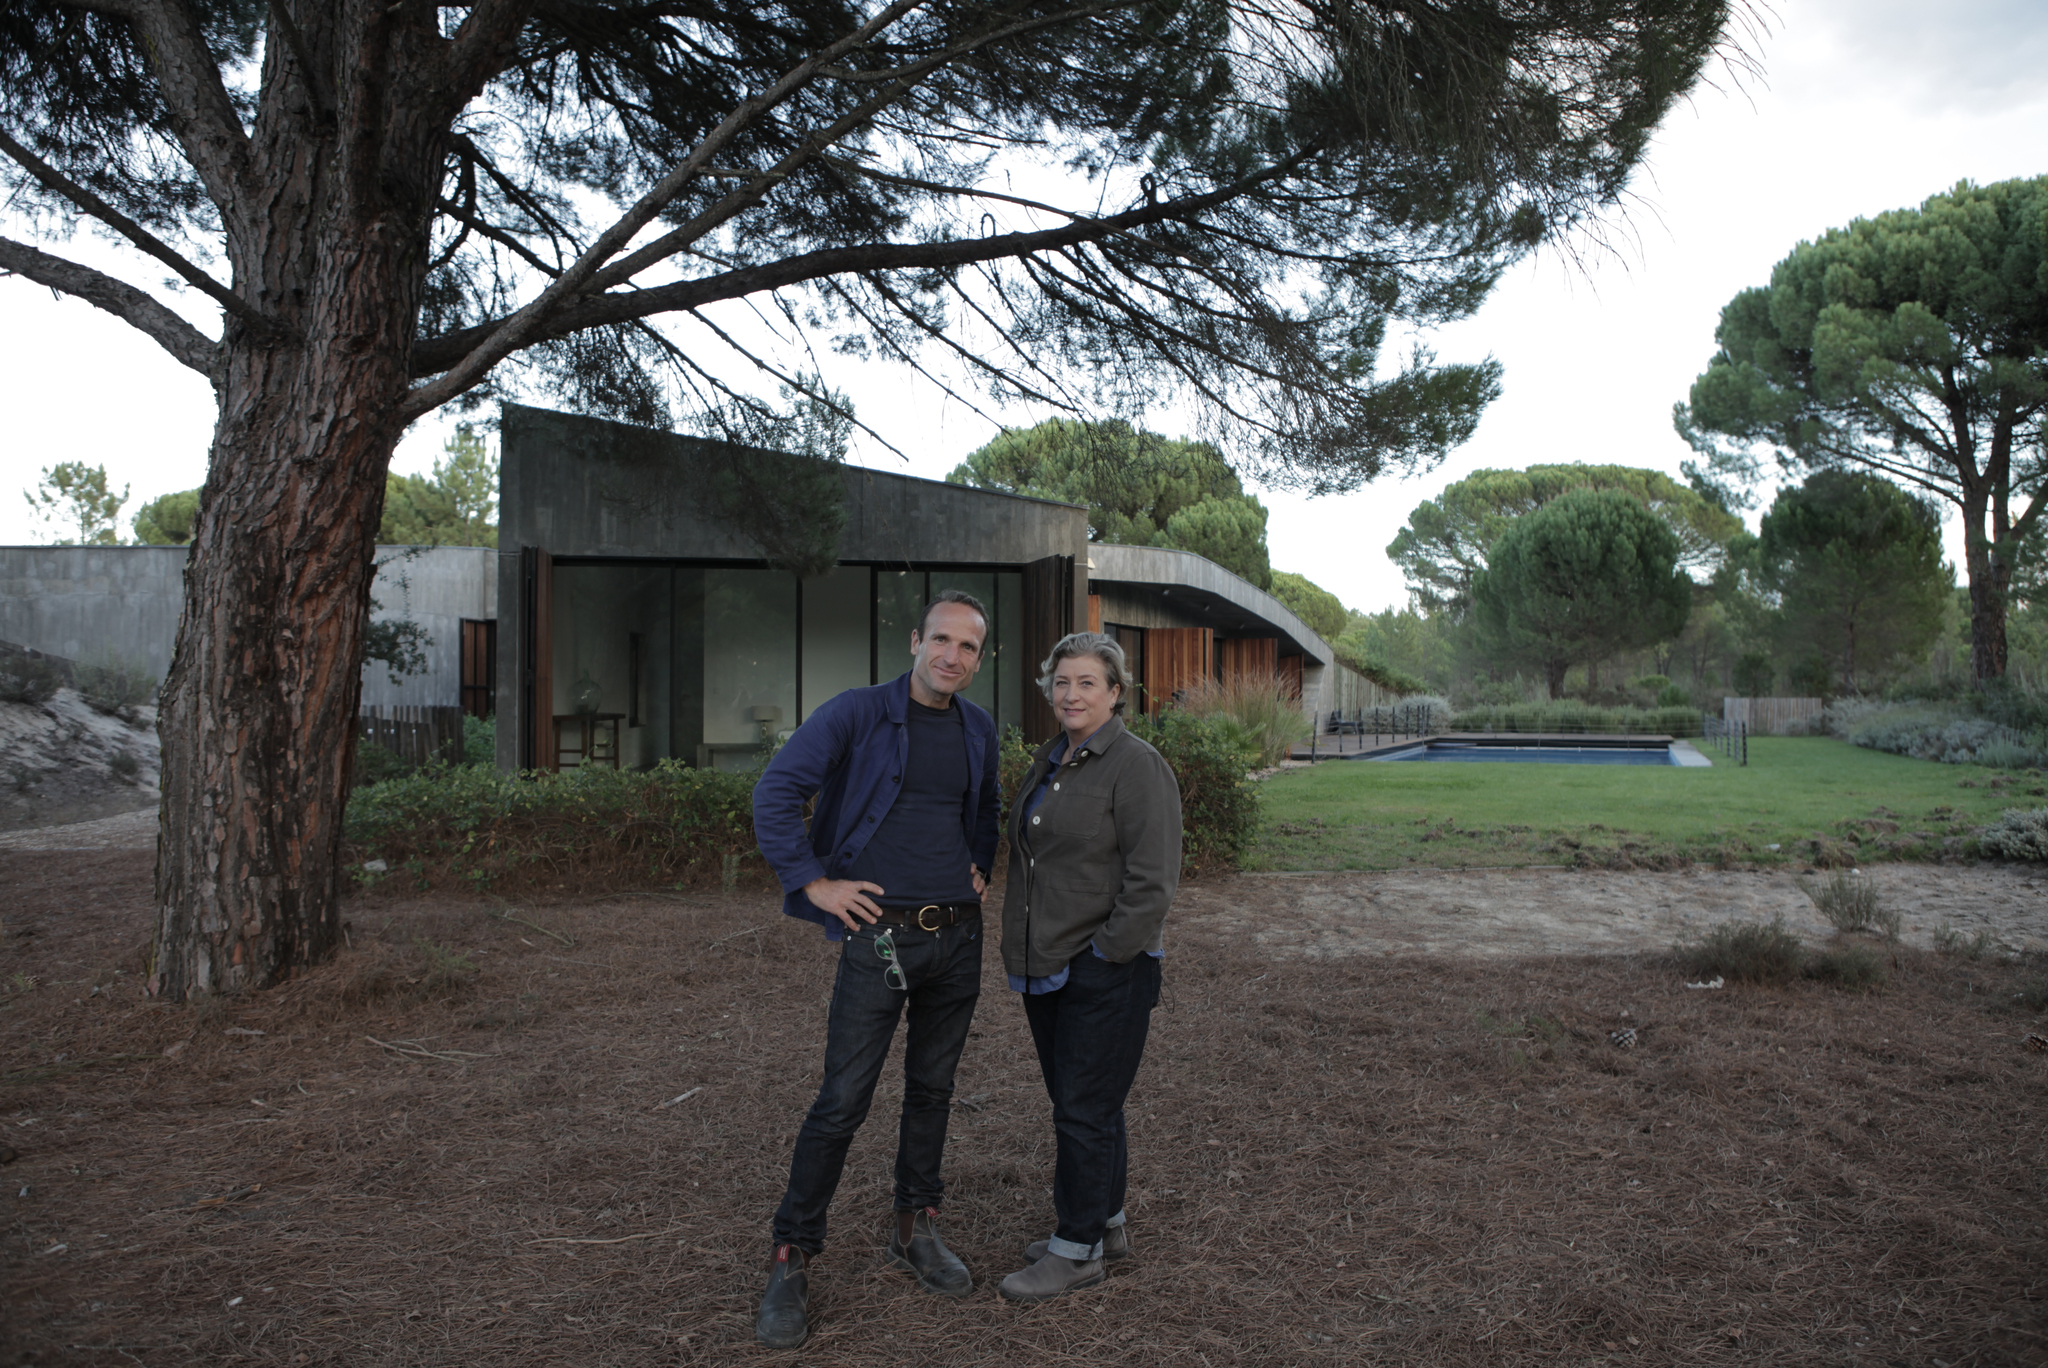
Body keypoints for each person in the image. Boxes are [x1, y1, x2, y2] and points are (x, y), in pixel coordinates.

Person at [749, 589, 1001, 1349]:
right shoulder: (855, 714)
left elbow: (984, 808)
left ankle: (914, 1228)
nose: (953, 656)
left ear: (978, 659)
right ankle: (792, 1255)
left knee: (932, 1091)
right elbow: (776, 791)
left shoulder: (979, 727)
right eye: (942, 640)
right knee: (843, 1100)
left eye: (969, 648)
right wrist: (813, 881)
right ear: (915, 641)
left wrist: (978, 865)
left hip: (957, 938)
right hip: (880, 941)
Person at [997, 631, 1182, 1302]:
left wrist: (1107, 954)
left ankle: (1074, 1253)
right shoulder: (1053, 757)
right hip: (1045, 962)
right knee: (1089, 1106)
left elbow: (1152, 880)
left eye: (1086, 683)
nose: (1070, 694)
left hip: (1104, 969)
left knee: (1082, 1108)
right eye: (1061, 682)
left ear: (1114, 692)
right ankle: (1105, 1226)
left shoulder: (1135, 765)